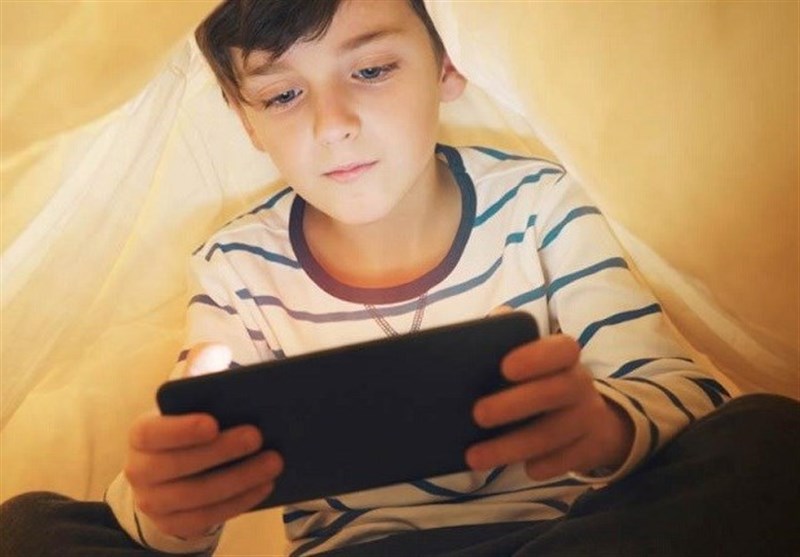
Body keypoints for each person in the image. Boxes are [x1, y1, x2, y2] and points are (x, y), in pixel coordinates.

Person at [1, 1, 798, 556]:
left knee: (769, 439)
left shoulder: (541, 204)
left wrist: (604, 429)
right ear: (245, 118)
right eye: (283, 93)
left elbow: (685, 393)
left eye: (373, 69)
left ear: (446, 64)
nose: (333, 123)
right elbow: (192, 466)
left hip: (566, 538)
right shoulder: (235, 264)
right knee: (28, 529)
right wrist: (169, 508)